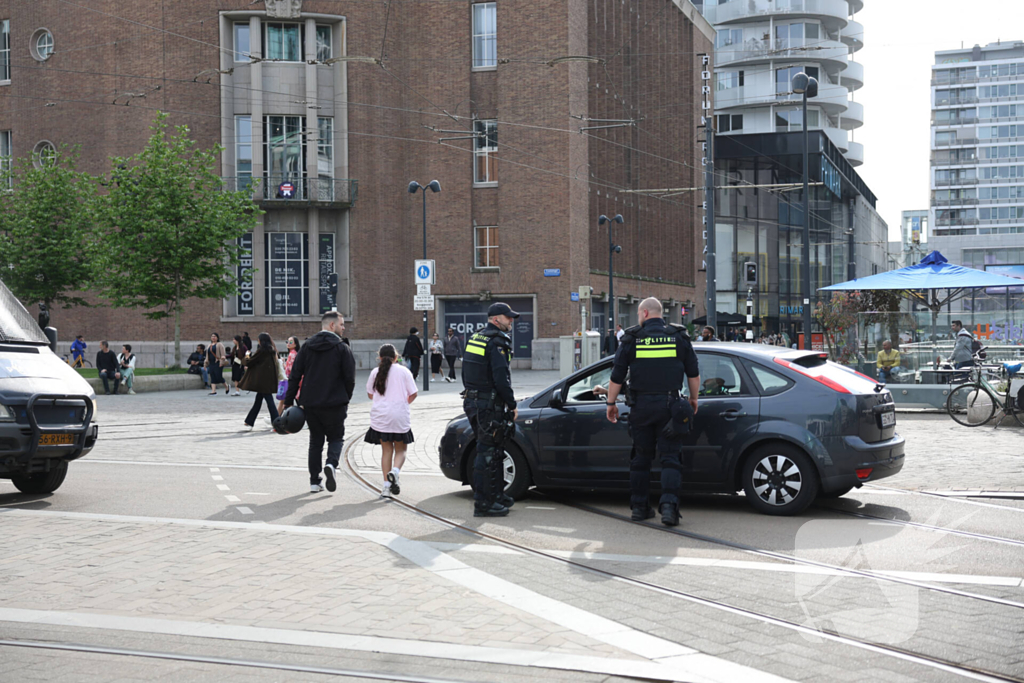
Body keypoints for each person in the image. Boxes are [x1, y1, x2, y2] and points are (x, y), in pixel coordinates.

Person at [604, 298, 700, 527]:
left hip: (641, 408)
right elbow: (693, 373)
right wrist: (694, 399)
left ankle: (639, 508)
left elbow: (616, 377)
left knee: (640, 459)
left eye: (638, 314)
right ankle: (669, 509)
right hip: (670, 407)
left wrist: (610, 403)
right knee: (670, 459)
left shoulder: (632, 338)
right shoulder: (679, 337)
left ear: (644, 313)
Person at [284, 311, 356, 493]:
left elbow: (294, 375)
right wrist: (346, 397)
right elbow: (350, 378)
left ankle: (314, 481)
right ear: (332, 325)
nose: (344, 327)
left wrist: (288, 402)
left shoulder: (307, 347)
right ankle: (331, 464)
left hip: (311, 403)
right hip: (335, 403)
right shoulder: (342, 348)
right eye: (342, 324)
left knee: (315, 441)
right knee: (336, 437)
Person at [462, 302, 519, 518]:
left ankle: (496, 495)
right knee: (487, 453)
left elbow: (466, 373)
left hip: (475, 401)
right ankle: (484, 503)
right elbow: (501, 378)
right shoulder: (497, 342)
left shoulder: (477, 337)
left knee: (495, 450)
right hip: (487, 404)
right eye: (508, 317)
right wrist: (512, 404)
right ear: (496, 319)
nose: (511, 321)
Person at [365, 344, 417, 497]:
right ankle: (395, 471)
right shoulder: (404, 371)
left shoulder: (375, 372)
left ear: (379, 357)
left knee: (386, 450)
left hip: (381, 417)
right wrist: (403, 403)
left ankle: (386, 487)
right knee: (401, 450)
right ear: (396, 357)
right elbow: (413, 393)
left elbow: (369, 394)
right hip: (399, 416)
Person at [239, 333, 281, 430]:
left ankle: (277, 423)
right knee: (259, 401)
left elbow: (250, 362)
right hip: (268, 380)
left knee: (269, 402)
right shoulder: (272, 350)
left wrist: (247, 356)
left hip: (262, 381)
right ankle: (249, 421)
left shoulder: (262, 350)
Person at [276, 336, 301, 416]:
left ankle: (277, 418)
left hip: (291, 381)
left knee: (286, 401)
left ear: (295, 344)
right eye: (287, 342)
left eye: (291, 342)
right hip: (292, 380)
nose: (288, 344)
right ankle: (277, 417)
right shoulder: (293, 353)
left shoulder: (292, 354)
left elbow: (290, 369)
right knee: (285, 400)